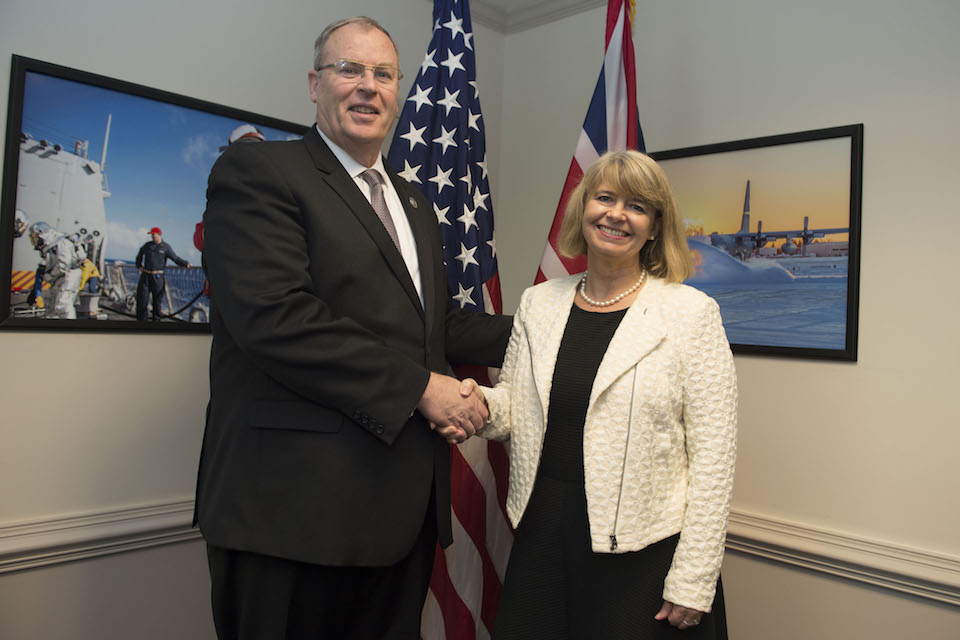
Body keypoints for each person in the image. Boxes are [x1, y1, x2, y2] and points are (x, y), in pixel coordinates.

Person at [194, 15, 512, 640]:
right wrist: (425, 388)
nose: (368, 87)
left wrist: (564, 320)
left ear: (398, 91)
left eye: (383, 74)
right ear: (315, 84)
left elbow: (433, 324)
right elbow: (278, 319)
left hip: (402, 517)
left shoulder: (414, 202)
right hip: (290, 516)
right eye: (349, 70)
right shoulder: (261, 173)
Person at [469, 150, 737, 639]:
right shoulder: (539, 303)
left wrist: (694, 578)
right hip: (543, 532)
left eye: (636, 206)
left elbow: (714, 461)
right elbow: (513, 408)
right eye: (605, 198)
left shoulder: (690, 314)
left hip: (642, 551)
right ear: (584, 209)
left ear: (655, 226)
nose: (616, 214)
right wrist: (473, 403)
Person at [27, 221, 85, 319]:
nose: (35, 241)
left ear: (42, 234)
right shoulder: (52, 246)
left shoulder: (62, 242)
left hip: (69, 276)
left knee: (63, 304)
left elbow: (63, 264)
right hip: (61, 277)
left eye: (36, 238)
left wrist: (49, 276)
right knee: (51, 304)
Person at [135, 226, 190, 321]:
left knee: (157, 303)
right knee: (142, 302)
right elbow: (139, 255)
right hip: (145, 277)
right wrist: (139, 265)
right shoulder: (147, 245)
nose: (152, 236)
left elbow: (175, 258)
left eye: (153, 234)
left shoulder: (166, 247)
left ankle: (156, 325)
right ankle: (141, 325)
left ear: (159, 234)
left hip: (158, 278)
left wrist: (185, 263)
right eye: (151, 235)